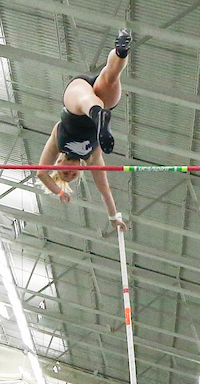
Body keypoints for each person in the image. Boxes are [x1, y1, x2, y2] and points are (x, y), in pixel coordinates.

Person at [36, 29, 132, 233]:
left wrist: (59, 191)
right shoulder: (93, 157)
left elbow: (42, 173)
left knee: (85, 103)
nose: (71, 172)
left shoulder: (56, 142)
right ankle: (121, 49)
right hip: (100, 103)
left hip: (76, 97)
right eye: (73, 175)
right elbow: (104, 191)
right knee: (110, 77)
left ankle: (98, 115)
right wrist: (113, 217)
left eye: (66, 173)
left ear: (59, 163)